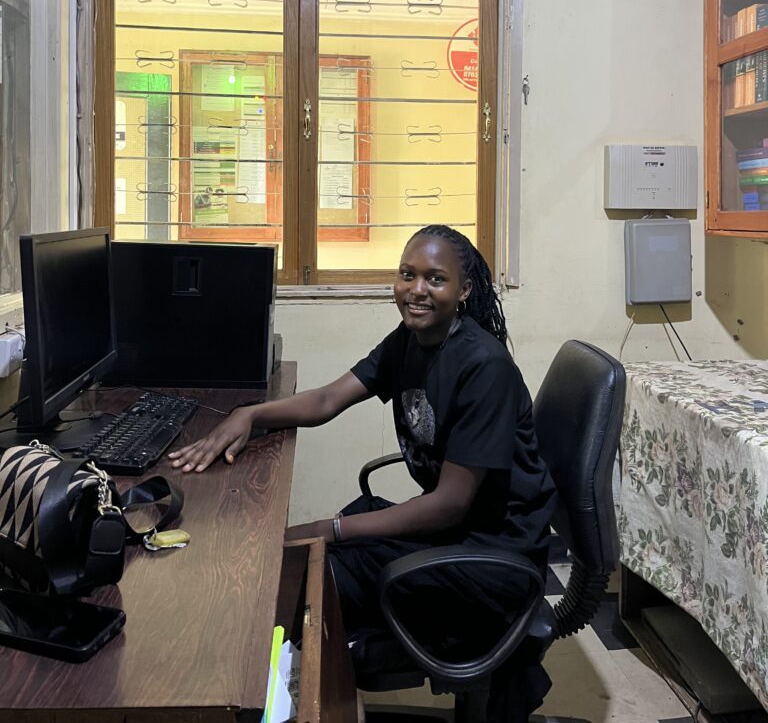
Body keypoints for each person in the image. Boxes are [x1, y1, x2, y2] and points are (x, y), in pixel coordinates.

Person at [168, 225, 556, 719]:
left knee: (315, 569)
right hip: (461, 534)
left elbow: (449, 504)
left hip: (494, 557)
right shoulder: (410, 340)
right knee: (321, 549)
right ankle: (299, 682)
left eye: (435, 279)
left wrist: (330, 528)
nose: (416, 289)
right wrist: (250, 415)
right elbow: (330, 399)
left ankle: (296, 697)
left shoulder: (484, 368)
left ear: (464, 290)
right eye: (407, 274)